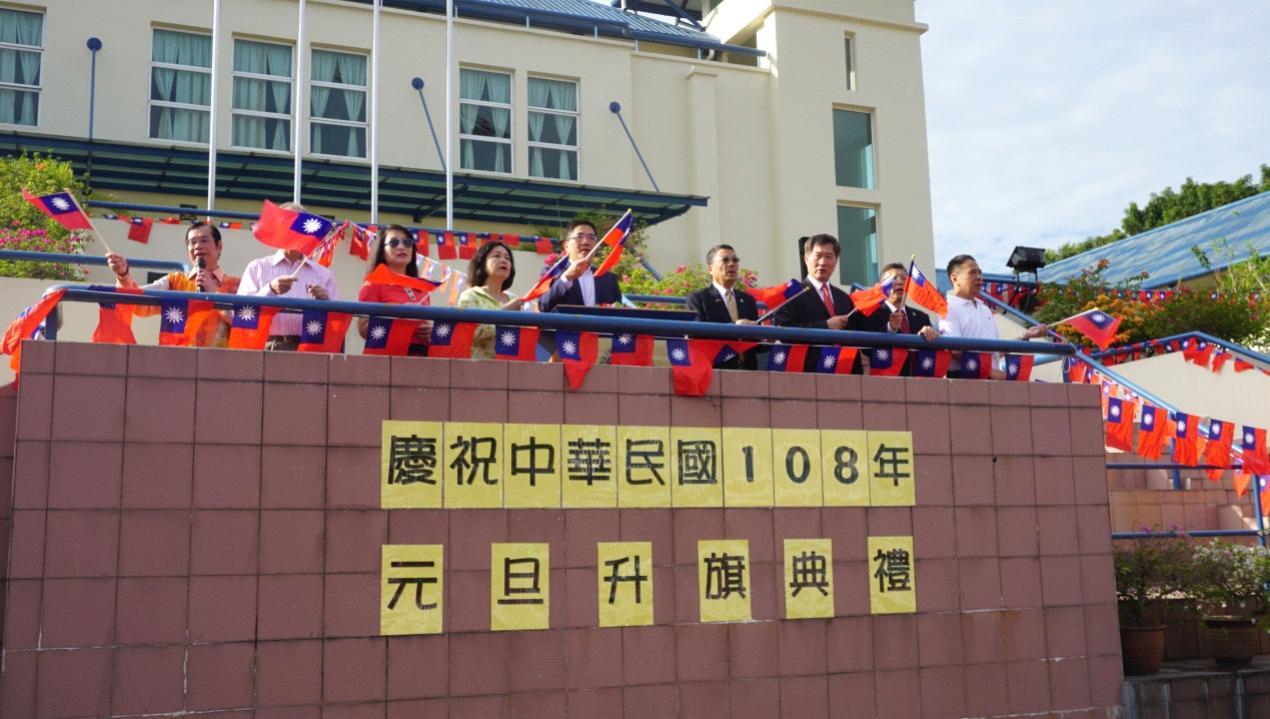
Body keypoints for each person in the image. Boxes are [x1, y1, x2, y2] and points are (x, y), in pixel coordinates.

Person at [104, 221, 242, 347]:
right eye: (192, 242)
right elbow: (138, 304)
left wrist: (215, 296)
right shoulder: (174, 282)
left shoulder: (236, 286)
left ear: (219, 247)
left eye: (204, 240)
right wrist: (123, 275)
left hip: (221, 365)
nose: (198, 246)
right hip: (177, 363)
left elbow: (247, 325)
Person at [237, 202, 339, 351]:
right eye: (287, 224)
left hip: (310, 349)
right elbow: (241, 313)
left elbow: (338, 323)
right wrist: (270, 289)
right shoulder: (257, 268)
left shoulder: (324, 274)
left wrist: (326, 303)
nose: (292, 230)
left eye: (297, 225)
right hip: (267, 347)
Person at [940, 254, 1048, 379]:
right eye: (972, 273)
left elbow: (995, 352)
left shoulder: (984, 309)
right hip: (964, 379)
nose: (979, 277)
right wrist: (989, 372)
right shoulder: (946, 308)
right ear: (955, 278)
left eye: (980, 273)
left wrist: (1025, 336)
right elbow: (953, 349)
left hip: (991, 381)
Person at [772, 233, 866, 372]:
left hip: (845, 371)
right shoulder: (791, 293)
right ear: (806, 259)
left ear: (836, 261)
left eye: (828, 257)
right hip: (808, 371)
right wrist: (826, 325)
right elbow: (784, 331)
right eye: (818, 256)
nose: (823, 262)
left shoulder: (844, 298)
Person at [357, 225, 432, 356]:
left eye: (407, 242)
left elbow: (425, 327)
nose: (402, 247)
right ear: (382, 250)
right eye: (394, 242)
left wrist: (429, 332)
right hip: (386, 358)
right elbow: (364, 330)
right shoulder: (373, 284)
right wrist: (397, 316)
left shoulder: (422, 287)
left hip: (420, 357)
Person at [685, 243, 758, 369]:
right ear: (710, 269)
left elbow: (755, 343)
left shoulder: (747, 300)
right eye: (725, 260)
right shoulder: (699, 298)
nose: (731, 264)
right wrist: (734, 327)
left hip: (748, 370)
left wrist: (769, 337)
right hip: (716, 368)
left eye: (735, 260)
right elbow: (697, 335)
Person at [857, 262, 939, 374]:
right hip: (886, 381)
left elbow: (933, 352)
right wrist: (890, 328)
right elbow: (866, 349)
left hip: (918, 381)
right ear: (882, 286)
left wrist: (929, 334)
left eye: (904, 278)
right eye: (893, 279)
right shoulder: (871, 313)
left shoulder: (921, 317)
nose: (900, 282)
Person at [457, 241, 526, 359]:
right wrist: (505, 312)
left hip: (510, 369)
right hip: (478, 368)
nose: (504, 260)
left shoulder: (513, 300)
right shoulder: (471, 296)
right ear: (482, 263)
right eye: (496, 256)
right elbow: (469, 333)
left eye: (507, 258)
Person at [538, 218, 622, 312]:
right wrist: (566, 278)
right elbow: (543, 306)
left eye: (591, 237)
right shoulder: (552, 273)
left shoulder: (609, 278)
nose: (585, 242)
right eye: (579, 237)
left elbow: (618, 311)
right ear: (566, 246)